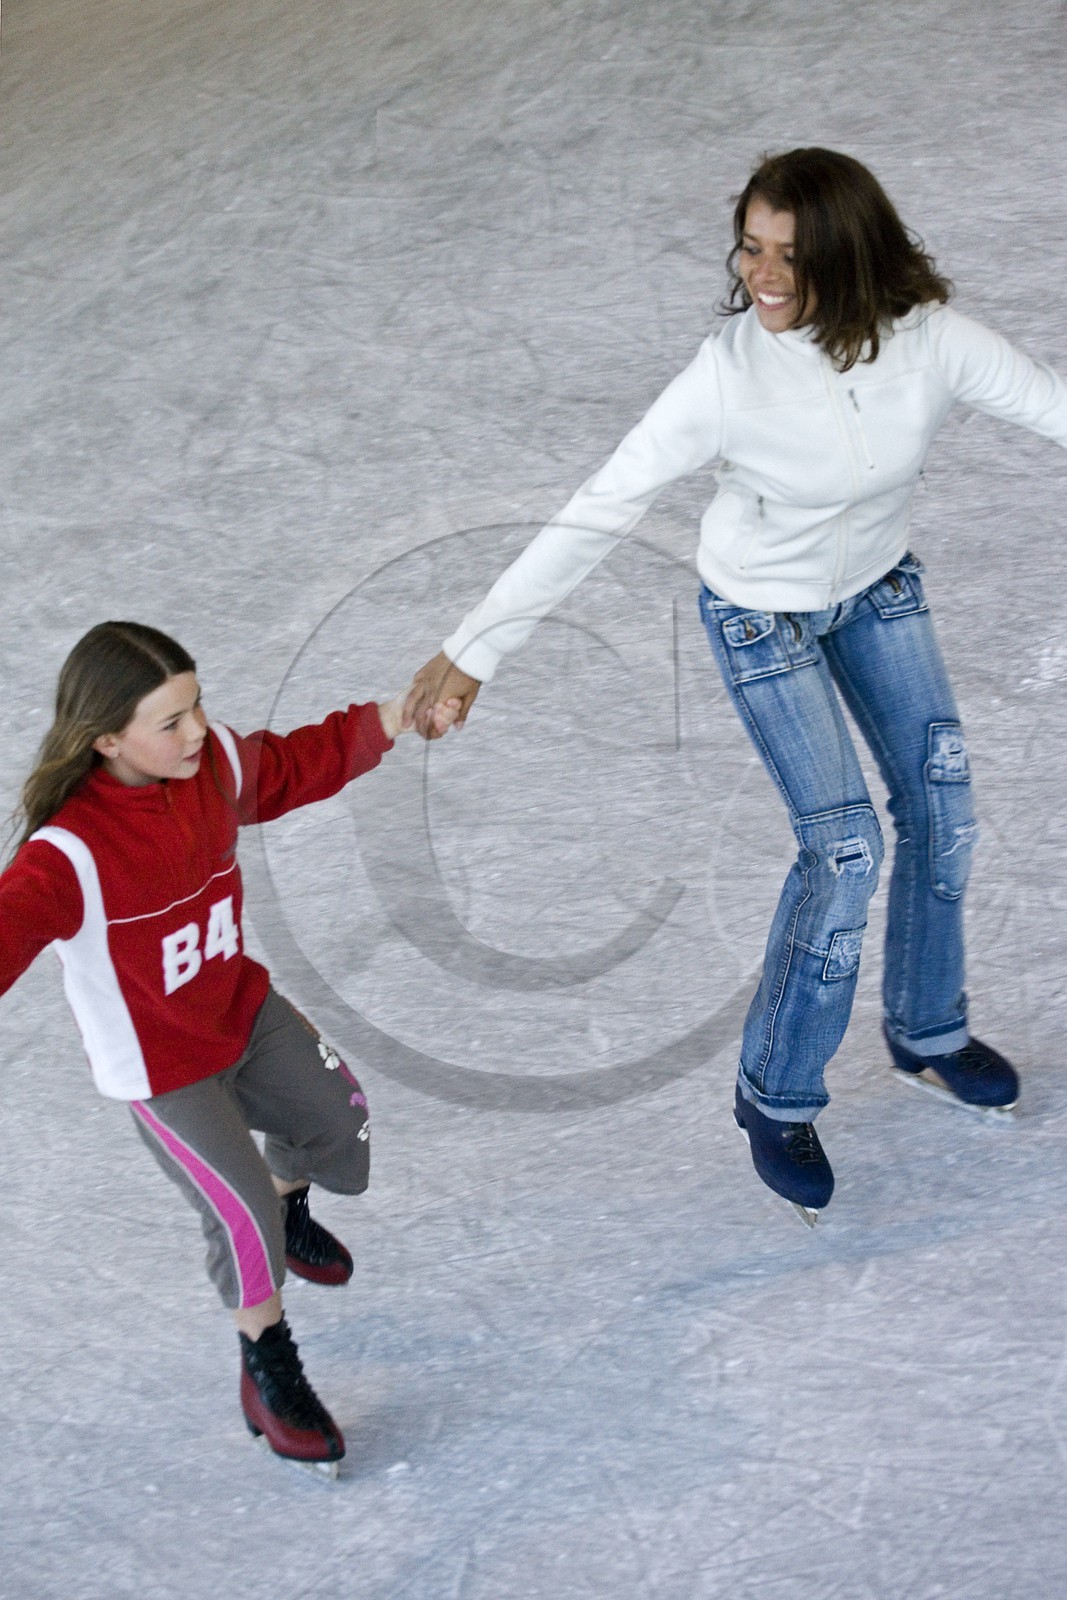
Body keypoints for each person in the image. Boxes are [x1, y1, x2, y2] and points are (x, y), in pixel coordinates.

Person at [403, 147, 1067, 1223]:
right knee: (843, 846)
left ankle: (924, 1029)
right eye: (750, 248)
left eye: (789, 256)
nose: (761, 274)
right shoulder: (726, 374)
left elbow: (1054, 406)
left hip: (874, 589)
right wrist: (478, 645)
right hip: (760, 613)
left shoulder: (930, 341)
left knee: (942, 812)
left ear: (848, 259)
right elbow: (601, 502)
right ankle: (774, 1094)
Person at [0, 621, 459, 1473]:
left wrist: (397, 712)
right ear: (105, 741)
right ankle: (269, 1369)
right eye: (168, 722)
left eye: (196, 706)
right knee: (236, 1219)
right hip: (164, 1068)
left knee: (339, 1115)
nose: (197, 730)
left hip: (241, 1013)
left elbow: (293, 764)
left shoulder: (214, 767)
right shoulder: (68, 855)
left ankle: (290, 1203)